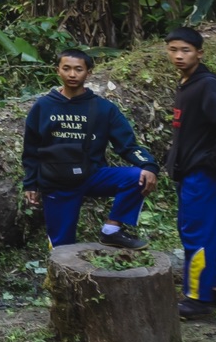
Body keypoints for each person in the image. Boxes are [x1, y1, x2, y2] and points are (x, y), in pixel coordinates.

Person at [20, 48, 159, 252]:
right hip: (56, 183)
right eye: (66, 69)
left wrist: (148, 164)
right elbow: (31, 148)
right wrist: (30, 183)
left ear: (89, 73)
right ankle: (59, 281)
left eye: (78, 69)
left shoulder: (103, 108)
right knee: (61, 248)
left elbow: (127, 144)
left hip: (92, 175)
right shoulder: (43, 106)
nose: (72, 74)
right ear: (57, 70)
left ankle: (111, 231)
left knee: (137, 177)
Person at [165, 27, 216, 319]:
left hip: (203, 176)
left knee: (195, 234)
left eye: (185, 50)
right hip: (190, 173)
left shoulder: (206, 85)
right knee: (201, 231)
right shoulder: (188, 84)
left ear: (199, 52)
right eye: (173, 50)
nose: (179, 56)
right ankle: (215, 289)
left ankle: (197, 300)